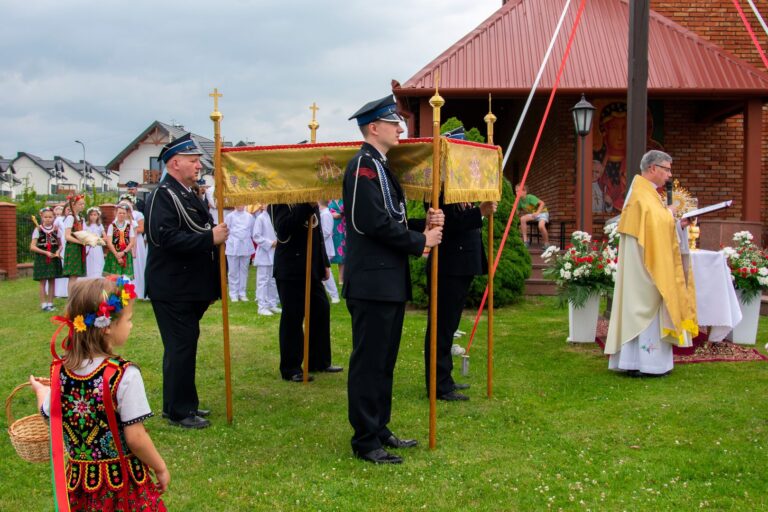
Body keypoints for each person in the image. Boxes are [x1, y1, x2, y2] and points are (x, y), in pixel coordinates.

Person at [343, 94, 443, 464]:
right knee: (369, 362)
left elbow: (391, 220)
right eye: (393, 122)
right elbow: (368, 222)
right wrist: (421, 241)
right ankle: (366, 440)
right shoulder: (363, 167)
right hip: (372, 283)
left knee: (384, 361)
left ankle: (379, 427)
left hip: (386, 281)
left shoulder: (379, 166)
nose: (400, 128)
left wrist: (422, 225)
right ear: (374, 128)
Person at [29, 277, 168, 511]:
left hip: (81, 488)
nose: (131, 325)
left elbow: (48, 411)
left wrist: (42, 391)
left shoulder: (60, 373)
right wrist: (160, 466)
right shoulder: (124, 375)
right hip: (123, 487)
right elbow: (135, 438)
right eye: (128, 319)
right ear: (107, 327)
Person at [145, 133, 229, 429]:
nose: (198, 166)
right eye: (193, 161)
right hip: (172, 287)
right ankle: (179, 411)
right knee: (180, 346)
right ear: (174, 163)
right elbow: (162, 236)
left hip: (188, 288)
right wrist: (210, 238)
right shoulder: (161, 195)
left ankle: (182, 404)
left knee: (185, 345)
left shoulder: (186, 193)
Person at [604, 150, 697, 375]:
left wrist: (677, 224)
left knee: (646, 309)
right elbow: (654, 225)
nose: (669, 175)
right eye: (666, 169)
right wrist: (670, 214)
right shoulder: (640, 194)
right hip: (645, 268)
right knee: (646, 307)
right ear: (653, 168)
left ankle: (637, 362)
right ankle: (646, 364)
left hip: (647, 261)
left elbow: (656, 226)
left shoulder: (649, 194)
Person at [425, 197, 497, 402]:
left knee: (449, 328)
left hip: (460, 264)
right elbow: (448, 224)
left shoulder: (459, 189)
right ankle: (438, 384)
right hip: (448, 266)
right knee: (441, 328)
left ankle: (444, 378)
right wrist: (479, 212)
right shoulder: (440, 191)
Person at [271, 202, 342, 381]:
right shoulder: (280, 199)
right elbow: (283, 229)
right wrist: (306, 206)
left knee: (321, 309)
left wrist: (324, 263)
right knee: (293, 317)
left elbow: (316, 233)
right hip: (291, 268)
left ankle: (318, 361)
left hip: (311, 268)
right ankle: (291, 368)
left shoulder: (308, 197)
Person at [30, 206, 62, 311]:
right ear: (42, 218)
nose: (48, 219)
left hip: (53, 257)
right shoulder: (38, 229)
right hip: (42, 257)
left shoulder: (56, 229)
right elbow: (32, 246)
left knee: (52, 280)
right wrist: (45, 252)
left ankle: (50, 303)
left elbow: (60, 244)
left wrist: (58, 251)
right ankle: (44, 304)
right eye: (45, 217)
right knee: (43, 281)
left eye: (50, 217)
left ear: (54, 217)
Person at [252, 204, 280, 315]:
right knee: (263, 280)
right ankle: (262, 306)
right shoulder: (260, 218)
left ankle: (272, 304)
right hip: (264, 253)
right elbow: (256, 236)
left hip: (275, 253)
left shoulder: (275, 217)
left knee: (273, 280)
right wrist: (270, 243)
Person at [224, 205, 256, 302]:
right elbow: (226, 230)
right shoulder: (230, 216)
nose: (239, 205)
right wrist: (229, 241)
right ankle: (233, 293)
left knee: (244, 270)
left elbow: (252, 231)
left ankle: (242, 293)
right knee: (233, 271)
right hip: (233, 244)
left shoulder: (249, 217)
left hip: (245, 244)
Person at [120, 195, 148, 298]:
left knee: (137, 264)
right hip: (124, 241)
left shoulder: (137, 214)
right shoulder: (119, 215)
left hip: (136, 241)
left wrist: (130, 229)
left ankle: (138, 289)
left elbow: (142, 229)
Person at [62, 194, 87, 294]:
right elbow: (67, 236)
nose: (82, 206)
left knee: (76, 275)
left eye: (83, 204)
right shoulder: (70, 218)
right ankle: (71, 299)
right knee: (73, 275)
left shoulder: (79, 217)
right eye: (80, 204)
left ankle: (73, 297)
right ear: (73, 205)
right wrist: (81, 242)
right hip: (73, 248)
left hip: (79, 247)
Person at [104, 204, 136, 278]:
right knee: (114, 278)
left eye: (124, 213)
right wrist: (117, 255)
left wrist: (123, 252)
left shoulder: (129, 226)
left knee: (125, 278)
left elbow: (132, 242)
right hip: (114, 254)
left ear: (127, 214)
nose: (122, 215)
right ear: (116, 213)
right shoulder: (112, 226)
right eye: (120, 213)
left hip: (126, 254)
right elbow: (109, 242)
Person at [318, 199, 340, 303]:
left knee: (327, 272)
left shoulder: (326, 214)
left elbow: (326, 232)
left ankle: (334, 295)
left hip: (325, 248)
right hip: (323, 247)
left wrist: (316, 239)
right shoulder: (323, 213)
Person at [84, 207, 105, 278]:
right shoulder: (86, 225)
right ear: (89, 216)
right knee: (89, 261)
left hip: (97, 246)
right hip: (88, 246)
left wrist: (98, 240)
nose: (93, 216)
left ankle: (97, 276)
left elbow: (105, 237)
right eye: (91, 215)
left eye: (95, 215)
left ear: (98, 216)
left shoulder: (99, 225)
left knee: (97, 261)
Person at [53, 204, 69, 298]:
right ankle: (60, 291)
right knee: (62, 265)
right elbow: (54, 231)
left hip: (70, 242)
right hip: (63, 243)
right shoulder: (59, 219)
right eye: (67, 209)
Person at [328, 199, 346, 284]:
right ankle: (327, 279)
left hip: (343, 229)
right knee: (328, 253)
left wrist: (341, 215)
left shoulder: (344, 197)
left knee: (342, 253)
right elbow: (321, 210)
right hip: (330, 230)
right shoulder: (328, 199)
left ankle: (341, 279)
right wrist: (331, 214)